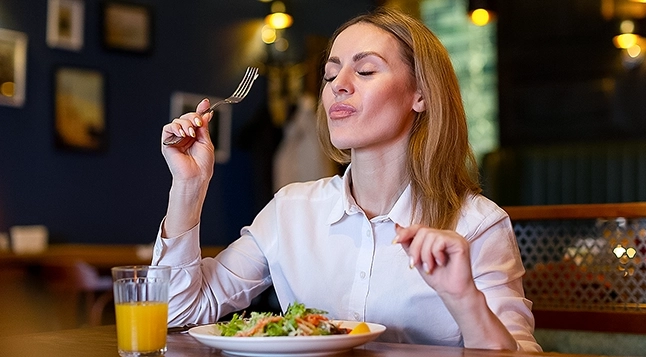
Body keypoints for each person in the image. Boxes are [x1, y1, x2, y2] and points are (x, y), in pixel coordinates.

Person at [154, 7, 541, 352]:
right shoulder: (290, 209)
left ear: (420, 95)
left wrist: (464, 298)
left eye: (366, 70)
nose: (338, 83)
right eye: (330, 73)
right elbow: (177, 313)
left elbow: (520, 350)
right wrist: (188, 187)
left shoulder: (478, 225)